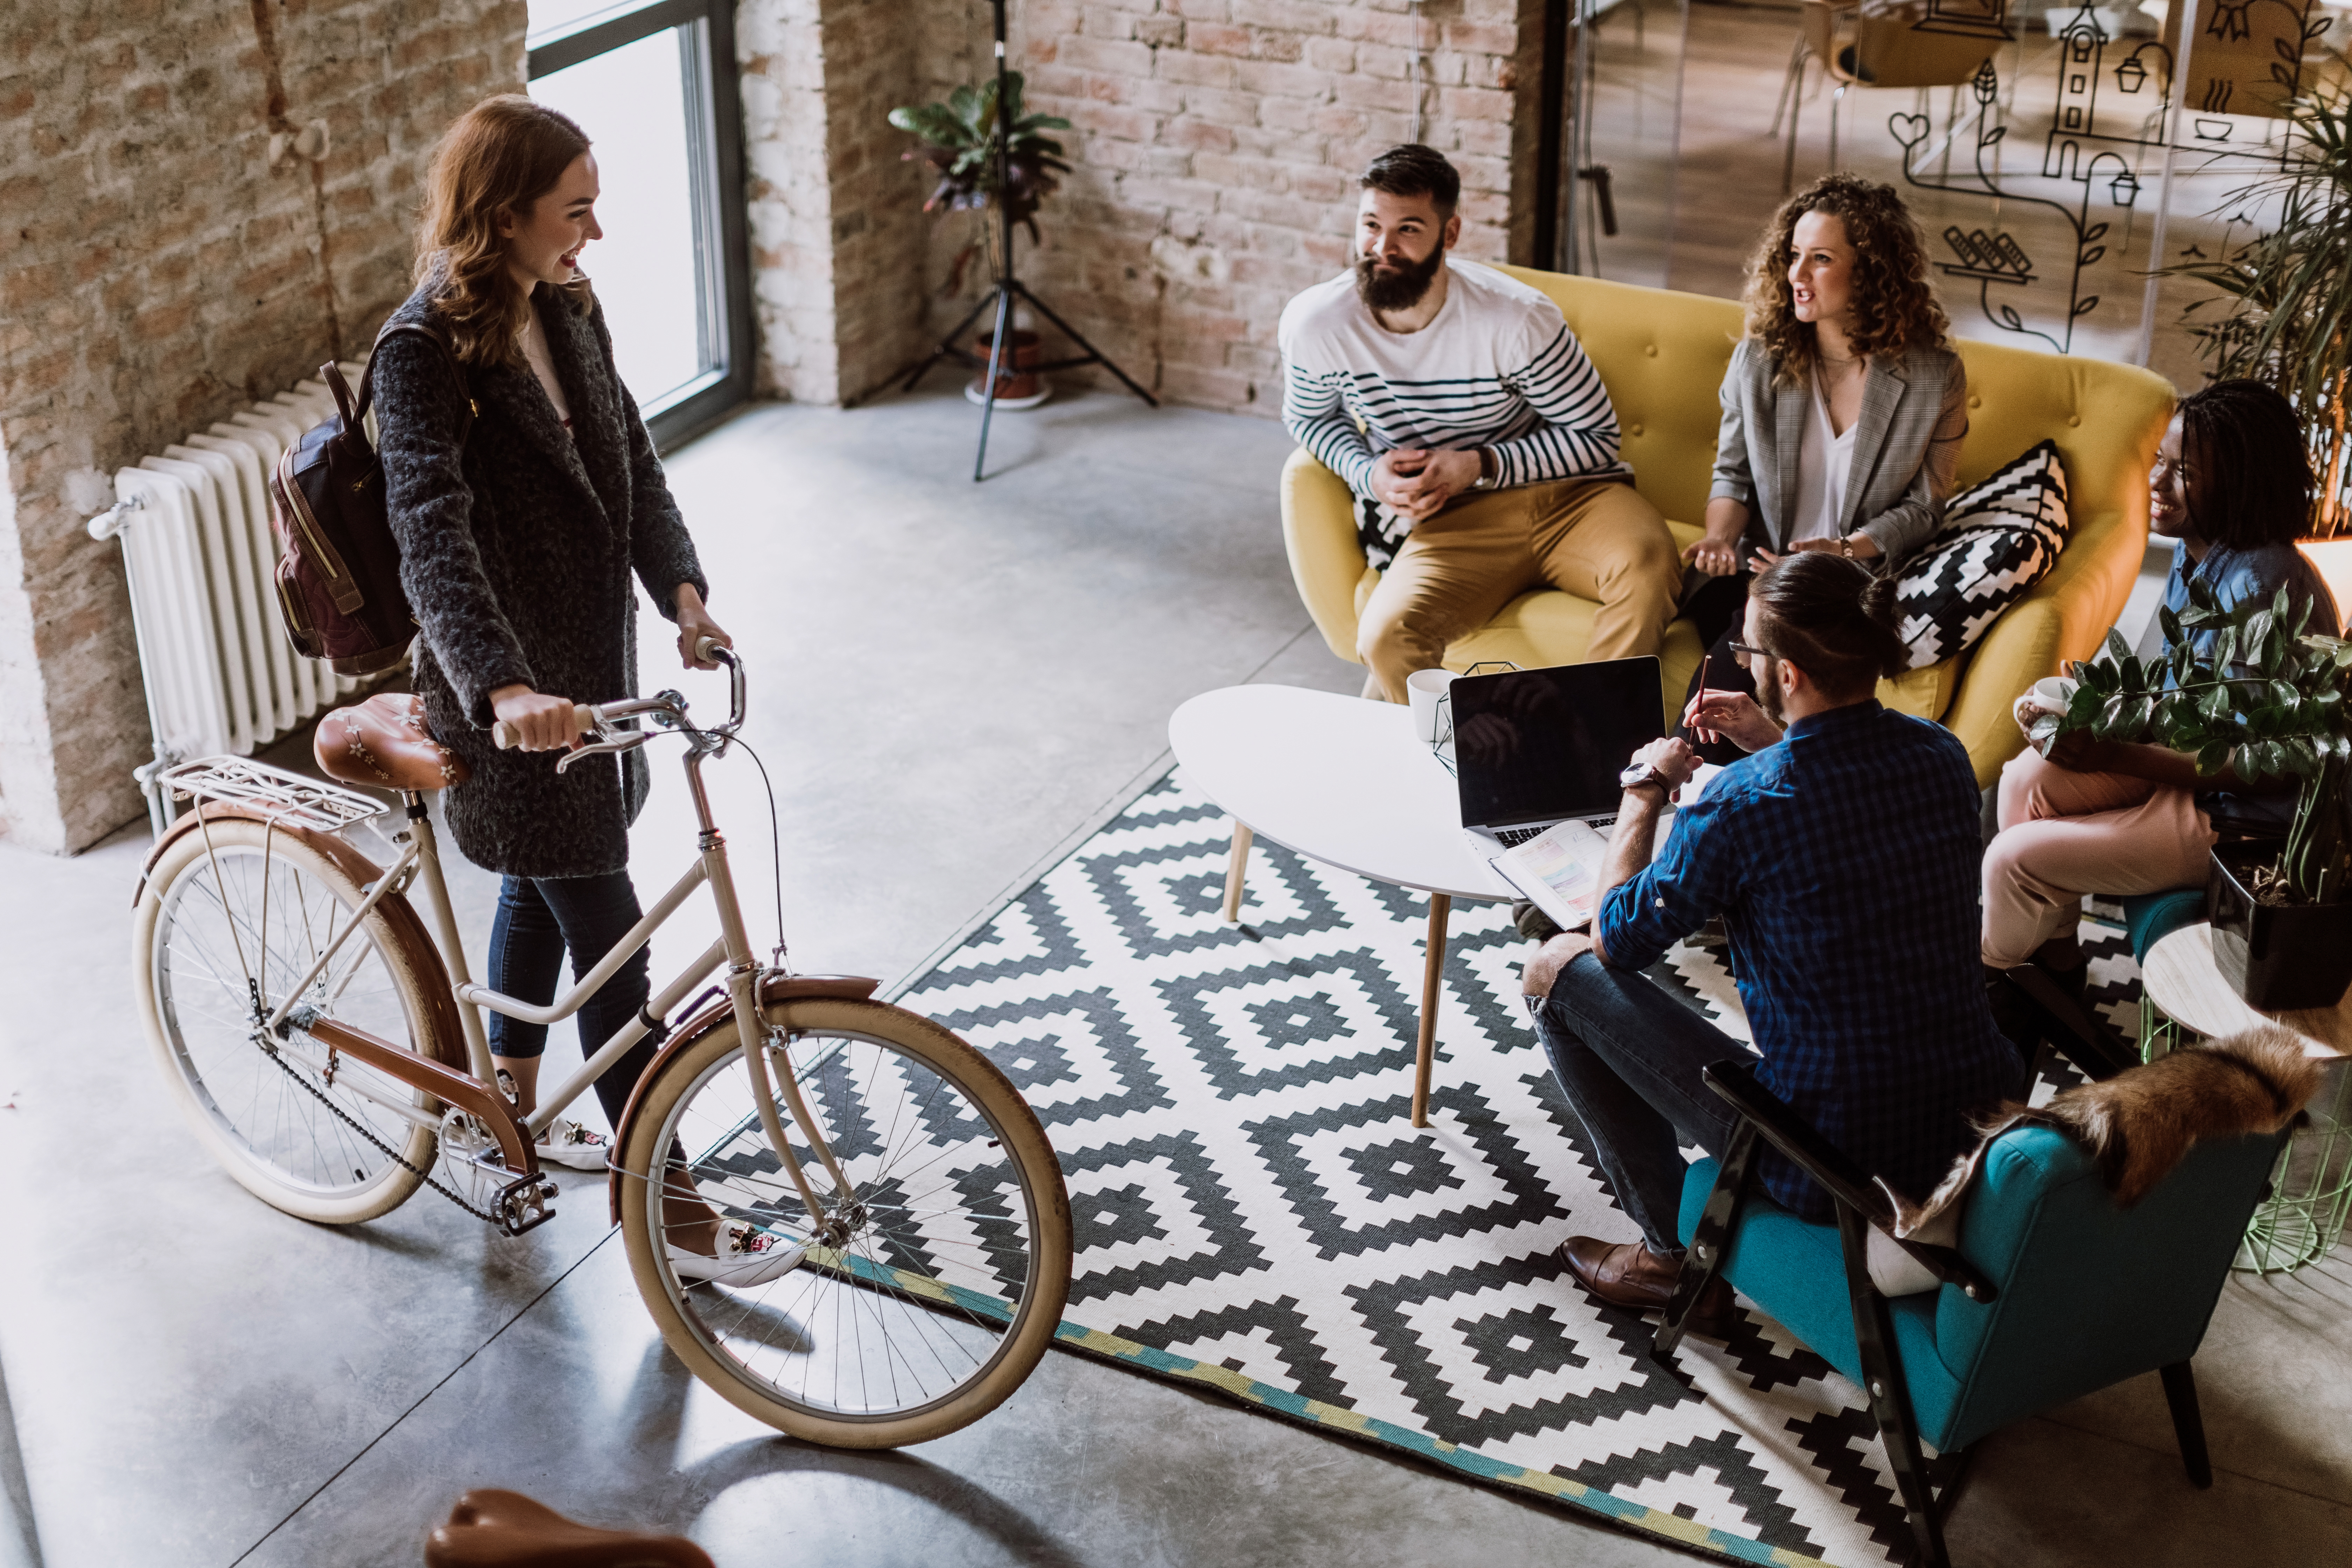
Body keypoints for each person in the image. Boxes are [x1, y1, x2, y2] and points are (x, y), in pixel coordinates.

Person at [375, 96, 785, 1279]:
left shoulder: (567, 305)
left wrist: (685, 593)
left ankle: (504, 1102)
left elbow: (631, 457)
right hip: (509, 706)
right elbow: (429, 538)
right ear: (503, 216)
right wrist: (501, 688)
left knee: (547, 888)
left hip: (594, 682)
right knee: (609, 939)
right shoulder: (423, 352)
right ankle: (666, 1200)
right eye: (576, 211)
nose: (594, 233)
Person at [1521, 553, 2019, 1332]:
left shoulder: (1740, 808)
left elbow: (1617, 936)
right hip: (1965, 1123)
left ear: (1787, 673)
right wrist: (1773, 740)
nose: (1741, 663)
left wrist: (1644, 790)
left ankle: (1664, 1256)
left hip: (1830, 1155)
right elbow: (1840, 800)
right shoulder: (1941, 755)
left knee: (1557, 965)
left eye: (1746, 651)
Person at [1278, 144, 1681, 704]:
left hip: (1571, 499)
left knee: (1648, 564)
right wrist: (1368, 473)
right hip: (1453, 522)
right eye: (1371, 225)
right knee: (1387, 637)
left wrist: (1478, 464)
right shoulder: (1318, 324)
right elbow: (1309, 416)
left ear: (1451, 234)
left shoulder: (1515, 319)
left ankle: (1592, 750)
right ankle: (1465, 773)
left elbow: (1596, 439)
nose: (1382, 248)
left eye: (1409, 230)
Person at [1981, 379, 2342, 984]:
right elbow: (2174, 690)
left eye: (2186, 473)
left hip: (2243, 817)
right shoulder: (2198, 552)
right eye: (2161, 461)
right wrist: (2085, 703)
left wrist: (2112, 752)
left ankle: (1987, 986)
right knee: (2023, 780)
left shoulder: (2262, 589)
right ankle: (2058, 965)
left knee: (2010, 860)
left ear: (2241, 481)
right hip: (2191, 777)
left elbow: (2265, 765)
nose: (2158, 481)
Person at [1678, 174, 1967, 765]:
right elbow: (1732, 475)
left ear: (1870, 270)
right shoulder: (1759, 360)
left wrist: (1844, 550)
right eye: (1793, 257)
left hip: (1853, 586)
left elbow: (1925, 508)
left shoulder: (1935, 376)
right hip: (1764, 577)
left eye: (1821, 259)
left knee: (1782, 694)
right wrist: (1719, 536)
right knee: (1705, 720)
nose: (1797, 275)